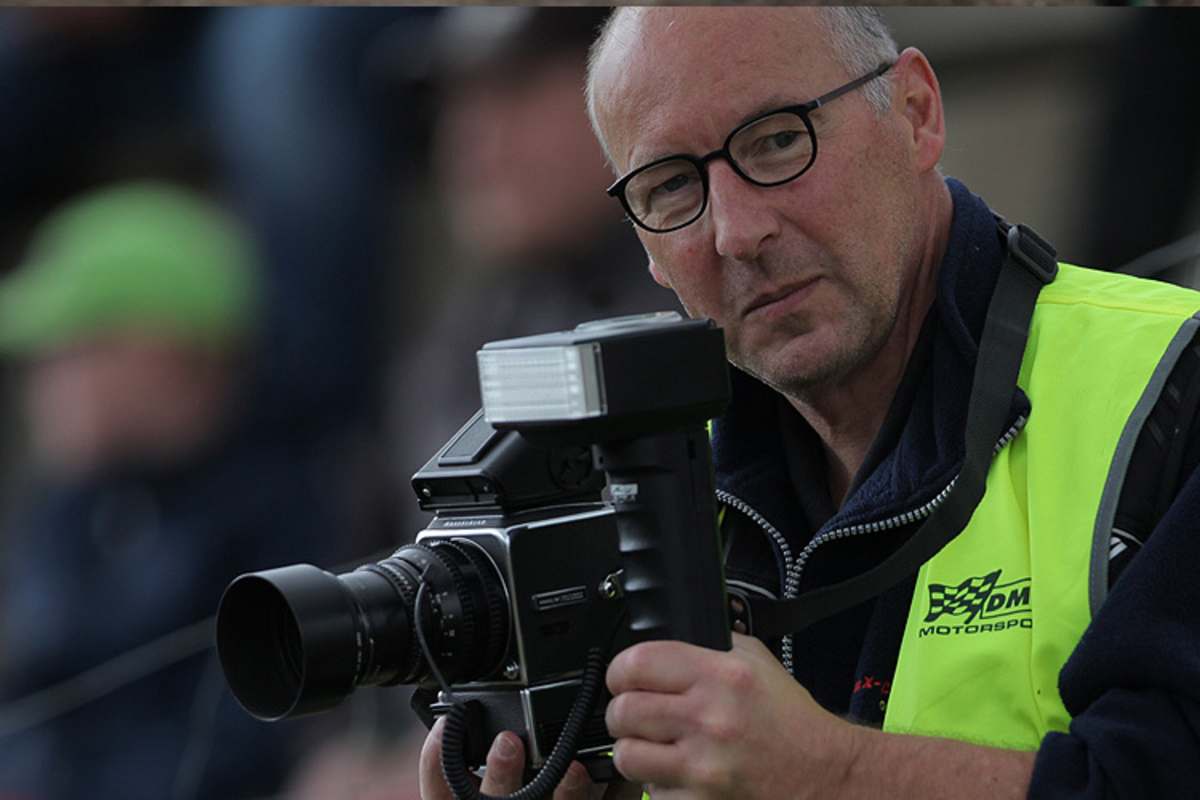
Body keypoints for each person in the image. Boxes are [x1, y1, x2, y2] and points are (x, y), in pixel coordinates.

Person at [418, 7, 1200, 800]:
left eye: (778, 140)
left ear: (916, 115)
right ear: (645, 247)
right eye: (671, 186)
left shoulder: (1172, 384)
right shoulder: (653, 488)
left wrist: (828, 773)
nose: (736, 231)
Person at [0, 182, 378, 799]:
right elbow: (31, 700)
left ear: (161, 347)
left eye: (69, 349)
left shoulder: (291, 507)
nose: (39, 386)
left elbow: (247, 744)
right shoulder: (66, 513)